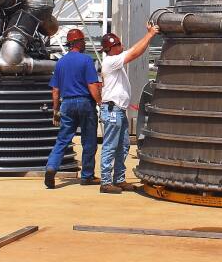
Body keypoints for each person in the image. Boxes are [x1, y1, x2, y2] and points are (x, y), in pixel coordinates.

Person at [97, 23, 159, 194]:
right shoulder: (111, 62)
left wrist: (148, 35)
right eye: (118, 44)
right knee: (110, 146)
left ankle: (119, 179)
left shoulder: (115, 62)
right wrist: (151, 35)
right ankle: (106, 181)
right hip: (112, 111)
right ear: (111, 48)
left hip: (118, 110)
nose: (121, 46)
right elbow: (134, 52)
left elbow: (134, 51)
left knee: (123, 145)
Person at [44, 28, 102, 189]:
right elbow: (92, 85)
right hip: (84, 102)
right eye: (83, 41)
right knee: (89, 140)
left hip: (67, 103)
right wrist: (100, 102)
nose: (84, 44)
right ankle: (87, 176)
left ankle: (51, 167)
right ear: (77, 42)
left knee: (63, 139)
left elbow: (55, 91)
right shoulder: (86, 60)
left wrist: (55, 111)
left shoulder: (60, 62)